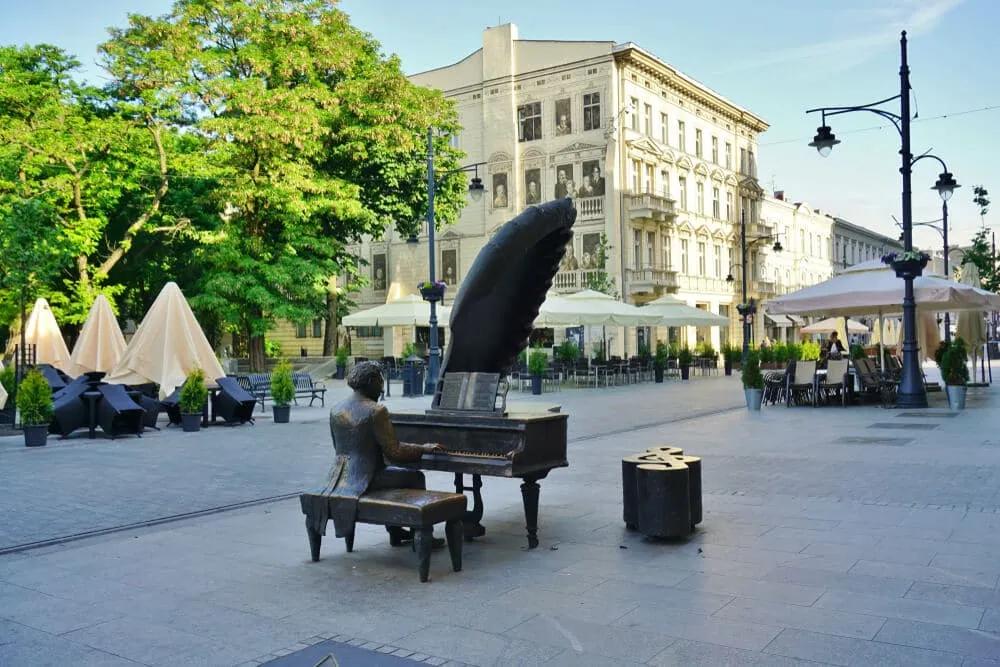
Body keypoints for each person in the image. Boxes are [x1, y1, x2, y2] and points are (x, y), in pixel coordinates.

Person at [313, 362, 443, 546]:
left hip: (339, 477)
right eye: (381, 380)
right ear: (372, 380)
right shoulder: (376, 410)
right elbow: (395, 451)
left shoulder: (336, 409)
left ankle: (395, 531)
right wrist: (423, 448)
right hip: (365, 479)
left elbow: (338, 447)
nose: (382, 387)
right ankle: (415, 533)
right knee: (415, 477)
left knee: (395, 473)